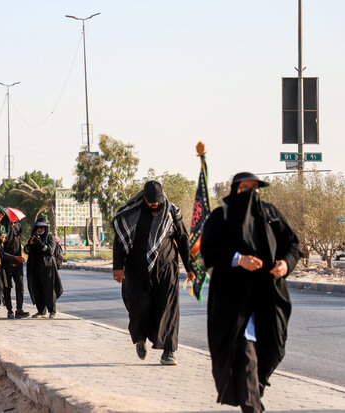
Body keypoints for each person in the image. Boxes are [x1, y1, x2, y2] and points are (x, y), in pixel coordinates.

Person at [201, 172, 301, 413]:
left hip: (268, 297)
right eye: (247, 188)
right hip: (233, 301)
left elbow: (292, 245)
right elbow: (208, 250)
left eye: (256, 188)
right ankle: (251, 405)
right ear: (236, 190)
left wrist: (286, 263)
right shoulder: (221, 216)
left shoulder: (270, 214)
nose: (252, 193)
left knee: (273, 349)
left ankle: (253, 394)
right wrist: (238, 259)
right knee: (245, 357)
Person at [112, 180, 195, 366]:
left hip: (167, 268)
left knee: (169, 308)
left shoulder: (172, 212)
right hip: (137, 270)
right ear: (144, 198)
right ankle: (140, 339)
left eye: (158, 201)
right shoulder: (131, 213)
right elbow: (120, 241)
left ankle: (169, 352)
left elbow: (182, 239)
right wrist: (118, 266)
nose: (155, 204)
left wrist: (190, 267)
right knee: (139, 307)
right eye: (152, 201)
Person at [24, 218, 63, 319]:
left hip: (47, 267)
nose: (40, 229)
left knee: (49, 289)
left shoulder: (50, 237)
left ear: (45, 227)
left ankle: (52, 311)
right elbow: (26, 250)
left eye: (42, 227)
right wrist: (30, 245)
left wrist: (41, 244)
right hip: (35, 267)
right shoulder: (33, 237)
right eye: (38, 227)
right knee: (37, 289)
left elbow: (50, 250)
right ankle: (41, 311)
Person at [0, 214, 29, 319]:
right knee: (7, 288)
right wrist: (14, 257)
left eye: (13, 220)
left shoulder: (18, 226)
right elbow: (1, 253)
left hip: (18, 263)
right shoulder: (2, 230)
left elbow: (19, 237)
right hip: (6, 264)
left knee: (20, 286)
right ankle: (9, 310)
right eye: (10, 221)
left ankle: (19, 309)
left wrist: (18, 258)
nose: (12, 222)